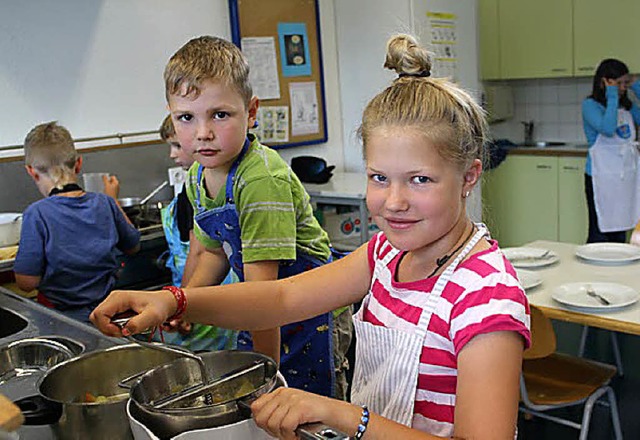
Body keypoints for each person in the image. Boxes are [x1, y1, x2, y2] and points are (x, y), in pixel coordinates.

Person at [92, 34, 530, 439]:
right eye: (379, 177)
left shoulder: (486, 297)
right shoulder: (384, 255)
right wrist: (174, 300)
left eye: (419, 180)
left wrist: (342, 415)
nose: (393, 202)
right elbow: (280, 298)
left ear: (469, 176)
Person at [156, 36, 351, 399]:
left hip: (311, 313)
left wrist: (267, 383)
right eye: (186, 117)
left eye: (220, 114)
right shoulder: (199, 176)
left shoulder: (260, 179)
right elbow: (213, 253)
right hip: (263, 308)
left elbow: (265, 296)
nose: (203, 133)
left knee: (308, 407)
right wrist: (186, 300)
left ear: (252, 111)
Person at [14, 121, 140, 323]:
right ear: (79, 164)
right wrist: (113, 199)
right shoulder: (105, 203)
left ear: (31, 171)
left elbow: (27, 282)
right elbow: (133, 245)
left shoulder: (37, 214)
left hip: (61, 320)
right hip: (107, 314)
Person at [155, 114, 238, 351]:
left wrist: (182, 303)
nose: (172, 154)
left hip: (203, 293)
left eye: (177, 146)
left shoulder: (201, 195)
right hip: (201, 291)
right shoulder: (196, 187)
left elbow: (198, 252)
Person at [582, 58, 640, 243]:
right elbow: (607, 128)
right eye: (619, 84)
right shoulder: (590, 106)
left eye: (625, 83)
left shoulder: (627, 107)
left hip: (623, 178)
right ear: (604, 82)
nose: (623, 88)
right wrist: (612, 95)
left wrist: (636, 87)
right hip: (600, 177)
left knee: (620, 229)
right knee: (600, 230)